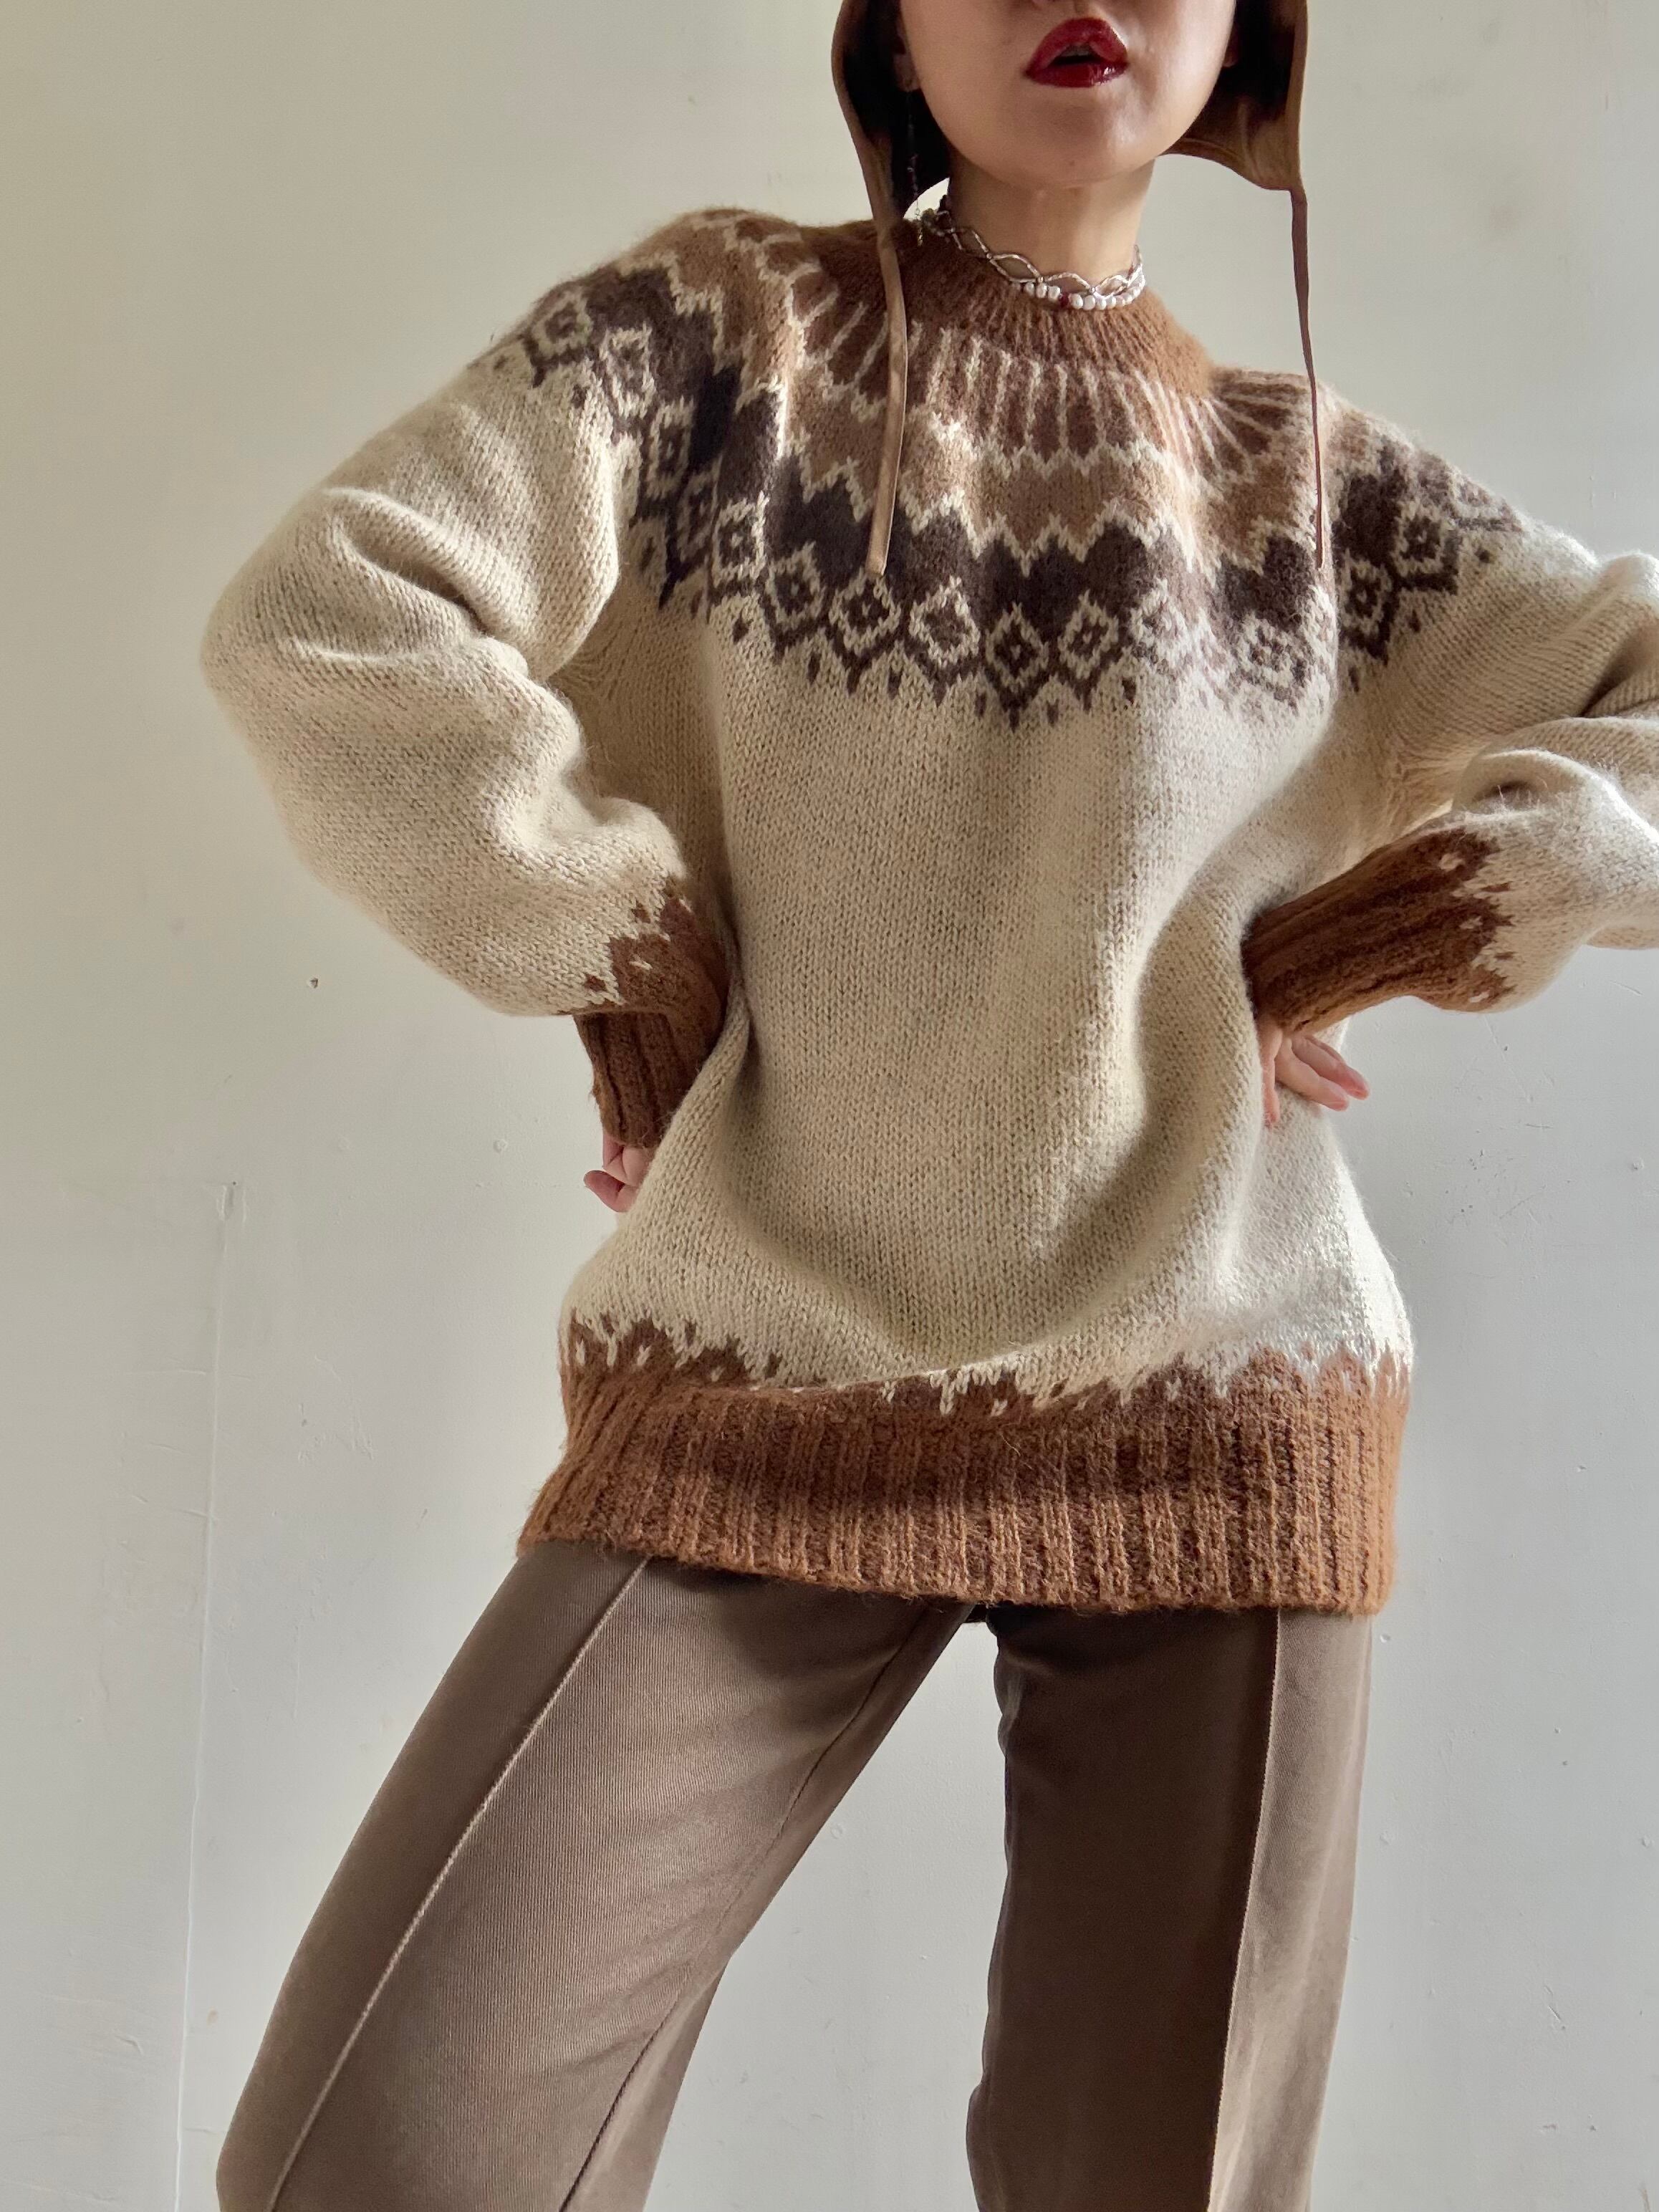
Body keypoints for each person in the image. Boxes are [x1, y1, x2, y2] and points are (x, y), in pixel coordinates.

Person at [197, 0, 1659, 2205]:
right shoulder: (719, 341)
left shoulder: (1324, 493)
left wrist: (1470, 886)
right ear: (888, 24)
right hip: (756, 1371)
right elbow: (326, 619)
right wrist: (605, 925)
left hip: (1223, 1400)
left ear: (1249, 34)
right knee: (384, 2158)